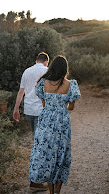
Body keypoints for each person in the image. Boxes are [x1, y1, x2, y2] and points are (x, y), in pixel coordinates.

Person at [29, 55, 81, 194]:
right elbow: (71, 107)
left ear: (52, 67)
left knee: (47, 154)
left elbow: (44, 104)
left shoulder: (43, 83)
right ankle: (57, 191)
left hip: (45, 121)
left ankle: (51, 191)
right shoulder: (71, 84)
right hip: (62, 122)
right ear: (65, 69)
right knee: (61, 155)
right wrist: (62, 106)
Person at [13, 52, 49, 192]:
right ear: (46, 61)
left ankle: (38, 178)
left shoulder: (27, 71)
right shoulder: (47, 71)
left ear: (36, 61)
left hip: (29, 111)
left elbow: (21, 92)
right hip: (42, 111)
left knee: (37, 142)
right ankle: (36, 182)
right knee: (41, 145)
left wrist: (16, 109)